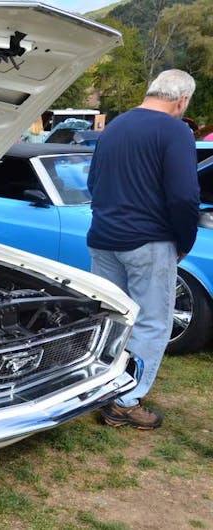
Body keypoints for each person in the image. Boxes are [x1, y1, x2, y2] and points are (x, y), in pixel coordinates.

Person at [87, 69, 199, 430]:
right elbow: (184, 195)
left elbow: (93, 182)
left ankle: (100, 385)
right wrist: (185, 241)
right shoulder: (175, 130)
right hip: (148, 241)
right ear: (182, 101)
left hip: (104, 238)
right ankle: (124, 402)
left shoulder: (115, 126)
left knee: (113, 316)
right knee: (152, 322)